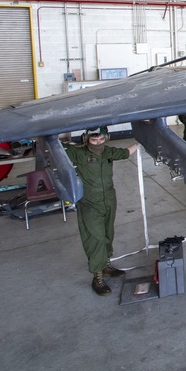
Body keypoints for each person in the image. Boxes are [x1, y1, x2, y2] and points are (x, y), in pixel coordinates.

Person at [65, 126, 138, 296]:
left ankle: (105, 265)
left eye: (101, 139)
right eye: (94, 139)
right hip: (89, 203)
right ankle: (97, 275)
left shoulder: (107, 152)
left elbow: (125, 153)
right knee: (95, 238)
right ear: (86, 139)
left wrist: (142, 142)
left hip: (109, 200)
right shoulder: (78, 153)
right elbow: (58, 151)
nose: (98, 142)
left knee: (107, 233)